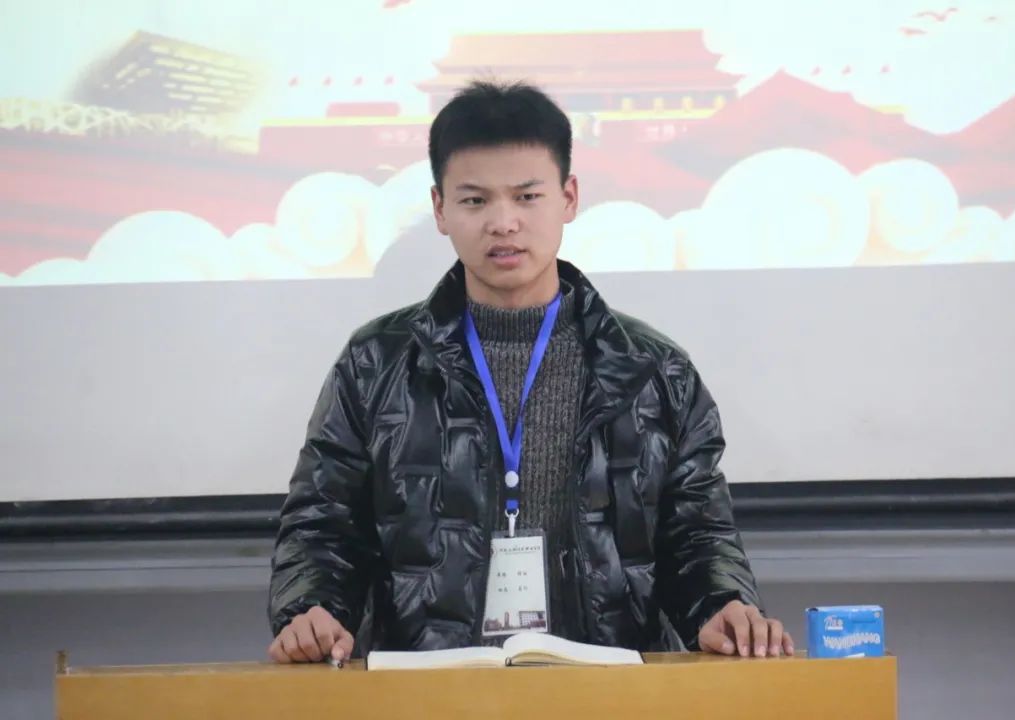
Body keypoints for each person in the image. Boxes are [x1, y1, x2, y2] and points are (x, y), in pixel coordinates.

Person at [268, 80, 794, 664]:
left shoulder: (652, 368)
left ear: (568, 198)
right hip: (428, 684)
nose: (503, 222)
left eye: (526, 197)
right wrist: (311, 608)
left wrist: (721, 604)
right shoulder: (377, 362)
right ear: (440, 208)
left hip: (610, 683)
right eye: (475, 201)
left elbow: (696, 532)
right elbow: (323, 525)